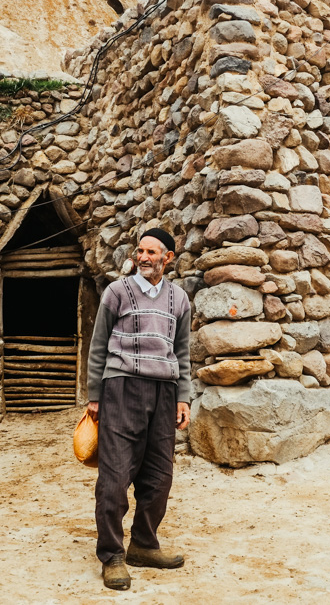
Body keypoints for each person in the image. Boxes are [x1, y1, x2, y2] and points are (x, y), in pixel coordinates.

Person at [86, 227, 191, 591]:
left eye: (152, 252)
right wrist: (94, 396)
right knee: (114, 476)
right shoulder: (117, 292)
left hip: (164, 391)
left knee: (160, 475)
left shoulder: (180, 300)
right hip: (121, 388)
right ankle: (112, 555)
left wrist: (184, 397)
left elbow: (182, 353)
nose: (144, 257)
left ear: (168, 258)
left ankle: (144, 545)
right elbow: (98, 346)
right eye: (140, 251)